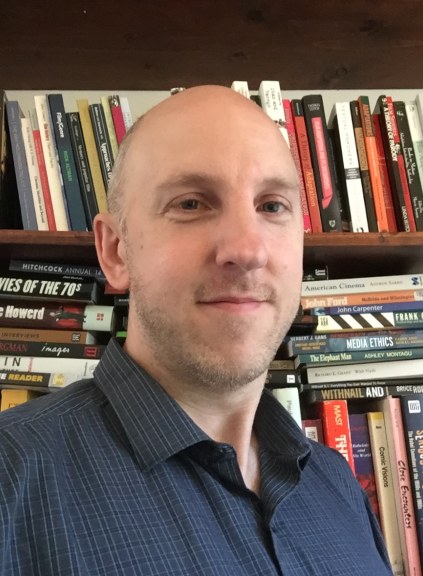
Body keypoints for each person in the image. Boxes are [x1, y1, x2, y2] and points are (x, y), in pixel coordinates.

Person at [0, 86, 393, 576]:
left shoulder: (337, 486)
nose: (248, 250)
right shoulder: (10, 480)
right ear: (116, 252)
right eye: (191, 203)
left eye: (272, 206)